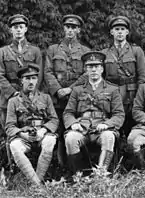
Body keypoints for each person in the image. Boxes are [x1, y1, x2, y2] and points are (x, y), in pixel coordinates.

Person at [63, 51, 125, 175]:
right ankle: (78, 175)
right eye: (90, 67)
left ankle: (101, 174)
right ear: (86, 69)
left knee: (109, 137)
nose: (93, 70)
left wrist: (107, 124)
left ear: (102, 69)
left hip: (102, 127)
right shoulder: (77, 90)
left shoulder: (112, 89)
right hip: (82, 127)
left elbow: (119, 114)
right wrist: (73, 123)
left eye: (96, 66)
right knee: (70, 138)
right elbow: (68, 112)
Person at [44, 14, 90, 165]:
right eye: (68, 27)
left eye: (74, 27)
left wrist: (70, 89)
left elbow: (86, 73)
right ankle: (61, 166)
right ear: (63, 28)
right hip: (58, 99)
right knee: (59, 132)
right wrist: (58, 90)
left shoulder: (84, 50)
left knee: (77, 130)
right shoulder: (53, 49)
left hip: (77, 98)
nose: (70, 30)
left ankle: (79, 166)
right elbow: (48, 72)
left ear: (78, 30)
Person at [5, 63, 59, 185]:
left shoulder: (45, 98)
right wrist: (22, 134)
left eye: (34, 78)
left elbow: (54, 119)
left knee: (50, 141)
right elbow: (9, 126)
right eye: (27, 78)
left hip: (42, 135)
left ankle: (37, 181)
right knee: (14, 146)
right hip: (24, 137)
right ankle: (37, 184)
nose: (31, 82)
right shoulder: (13, 101)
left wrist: (43, 131)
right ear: (21, 81)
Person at [101, 16, 145, 136]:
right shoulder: (104, 53)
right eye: (116, 29)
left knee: (132, 127)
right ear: (111, 32)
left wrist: (140, 97)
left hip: (131, 95)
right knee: (112, 128)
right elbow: (100, 78)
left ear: (127, 32)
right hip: (112, 95)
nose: (119, 32)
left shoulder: (136, 51)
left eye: (122, 29)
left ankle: (131, 152)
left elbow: (143, 77)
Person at [0, 14, 42, 130]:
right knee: (10, 132)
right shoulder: (4, 51)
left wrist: (29, 93)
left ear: (25, 29)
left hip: (30, 100)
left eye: (21, 27)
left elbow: (39, 75)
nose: (18, 30)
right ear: (11, 30)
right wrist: (13, 93)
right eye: (15, 27)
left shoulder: (35, 51)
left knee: (33, 132)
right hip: (8, 99)